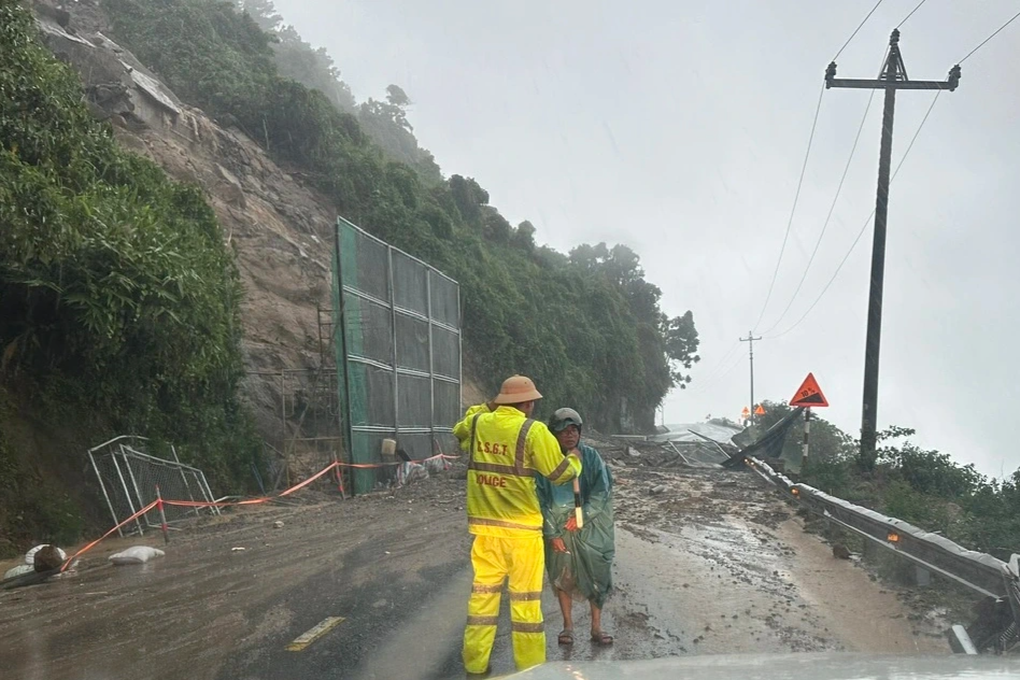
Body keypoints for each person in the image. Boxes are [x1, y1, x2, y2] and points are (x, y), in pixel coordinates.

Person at [453, 375, 582, 677]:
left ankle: (475, 663)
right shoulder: (532, 430)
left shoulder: (477, 423)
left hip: (485, 533)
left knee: (482, 601)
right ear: (527, 403)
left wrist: (487, 406)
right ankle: (529, 669)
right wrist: (576, 460)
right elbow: (559, 473)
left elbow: (460, 429)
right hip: (522, 534)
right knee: (525, 605)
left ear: (500, 400)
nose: (534, 406)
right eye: (532, 401)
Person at [536, 407, 615, 647]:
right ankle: (568, 626)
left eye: (574, 430)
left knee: (597, 575)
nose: (570, 435)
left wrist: (584, 516)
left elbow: (602, 491)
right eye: (563, 431)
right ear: (554, 434)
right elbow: (540, 498)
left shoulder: (591, 457)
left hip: (590, 527)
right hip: (560, 527)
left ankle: (596, 627)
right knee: (563, 576)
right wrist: (551, 532)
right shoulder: (545, 460)